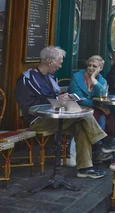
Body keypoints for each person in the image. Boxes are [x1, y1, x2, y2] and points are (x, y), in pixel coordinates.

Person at [15, 47, 108, 178]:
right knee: (84, 116)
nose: (60, 66)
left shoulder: (49, 78)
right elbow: (28, 105)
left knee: (82, 126)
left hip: (57, 118)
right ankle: (103, 142)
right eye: (59, 62)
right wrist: (54, 100)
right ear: (50, 61)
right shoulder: (27, 79)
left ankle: (85, 168)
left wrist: (63, 98)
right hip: (38, 121)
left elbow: (56, 97)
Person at [69, 55, 115, 159]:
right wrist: (98, 106)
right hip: (78, 108)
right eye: (89, 65)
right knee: (100, 117)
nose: (91, 68)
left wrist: (94, 80)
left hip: (94, 108)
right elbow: (78, 98)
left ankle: (103, 147)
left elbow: (103, 95)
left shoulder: (101, 80)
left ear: (100, 68)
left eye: (94, 66)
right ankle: (100, 147)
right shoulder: (77, 77)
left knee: (107, 117)